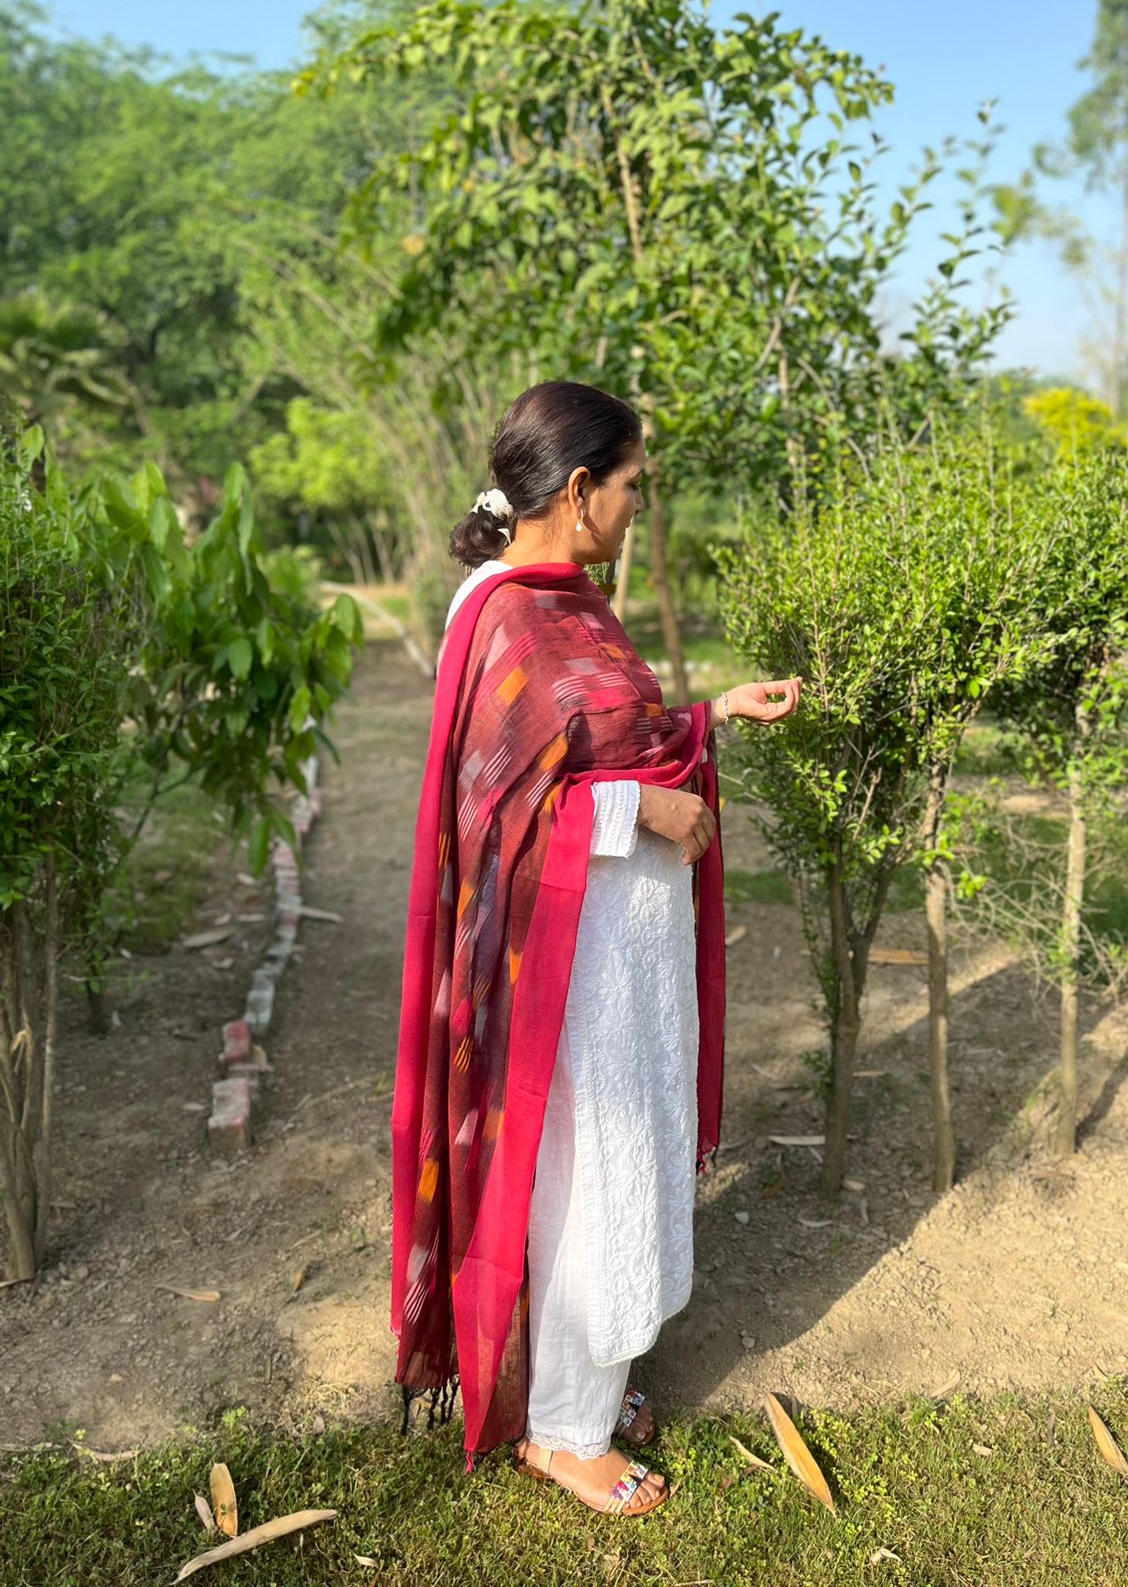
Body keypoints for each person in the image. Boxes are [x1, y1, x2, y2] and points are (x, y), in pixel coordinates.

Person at [391, 380, 799, 1517]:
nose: (635, 508)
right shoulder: (506, 615)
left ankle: (588, 1378)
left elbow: (603, 744)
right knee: (590, 1174)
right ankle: (564, 1429)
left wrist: (712, 717)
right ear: (578, 491)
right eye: (629, 487)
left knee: (622, 1166)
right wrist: (648, 814)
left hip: (628, 963)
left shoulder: (570, 597)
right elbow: (500, 818)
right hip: (569, 971)